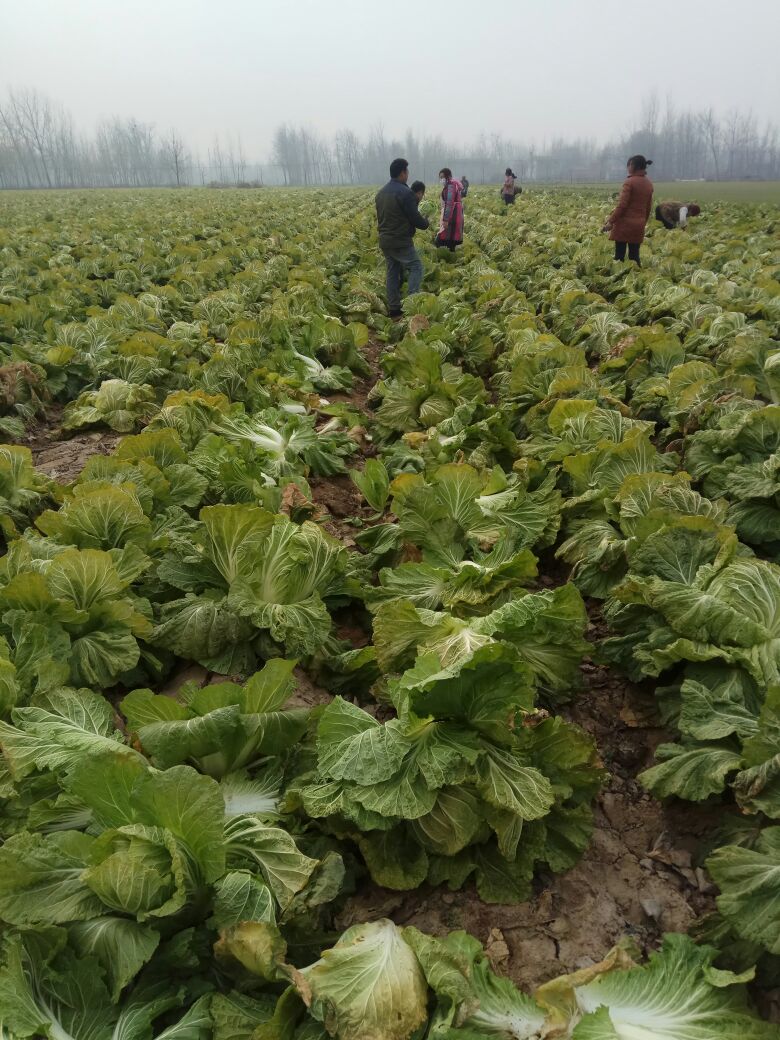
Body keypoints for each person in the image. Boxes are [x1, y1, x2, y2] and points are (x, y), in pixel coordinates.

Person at [375, 158, 430, 318]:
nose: (408, 174)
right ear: (402, 173)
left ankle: (394, 308)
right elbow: (416, 219)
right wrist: (426, 222)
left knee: (393, 271)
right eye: (407, 171)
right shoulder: (406, 193)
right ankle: (412, 303)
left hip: (385, 240)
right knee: (416, 267)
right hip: (400, 240)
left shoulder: (380, 193)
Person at [603, 155, 654, 266]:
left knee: (619, 257)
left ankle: (618, 281)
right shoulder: (649, 184)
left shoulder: (629, 182)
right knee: (634, 257)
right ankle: (637, 277)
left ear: (635, 166)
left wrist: (611, 221)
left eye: (629, 164)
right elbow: (648, 207)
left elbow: (622, 205)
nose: (628, 167)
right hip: (638, 225)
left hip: (624, 225)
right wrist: (642, 222)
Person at [435, 168, 464, 251]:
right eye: (440, 178)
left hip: (452, 215)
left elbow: (449, 203)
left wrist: (446, 219)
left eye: (443, 177)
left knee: (443, 238)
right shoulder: (451, 185)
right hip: (455, 214)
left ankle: (448, 257)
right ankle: (451, 256)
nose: (441, 179)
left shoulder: (451, 186)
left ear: (448, 177)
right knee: (451, 240)